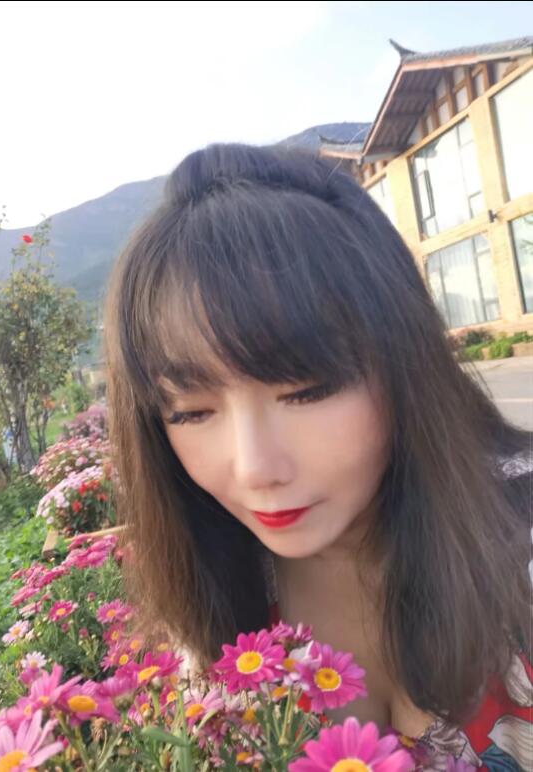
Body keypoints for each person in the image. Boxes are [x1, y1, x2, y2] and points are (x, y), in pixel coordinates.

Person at [103, 143, 532, 769]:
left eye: (307, 391)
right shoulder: (212, 600)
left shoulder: (517, 552)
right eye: (191, 412)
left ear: (404, 359)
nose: (254, 469)